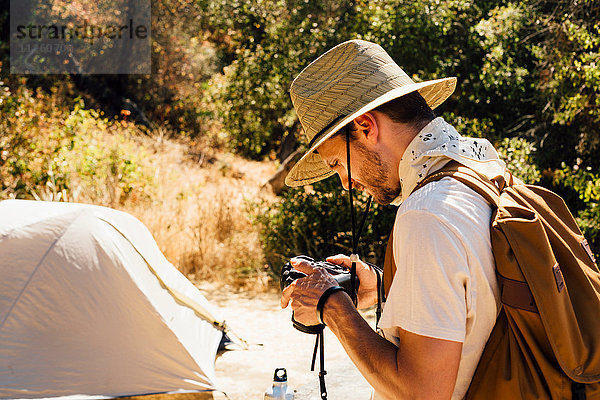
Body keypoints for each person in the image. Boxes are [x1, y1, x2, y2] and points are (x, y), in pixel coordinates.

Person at [279, 39, 504, 399]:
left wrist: (332, 304)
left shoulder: (427, 215)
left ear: (366, 127)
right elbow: (478, 296)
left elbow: (423, 392)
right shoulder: (483, 171)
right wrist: (383, 288)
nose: (346, 182)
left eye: (337, 163)